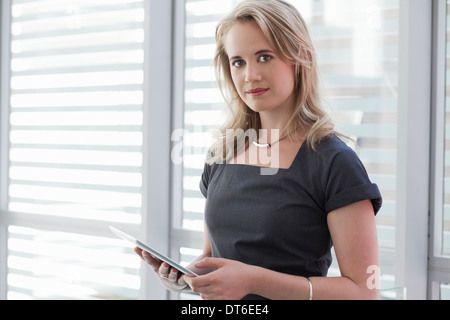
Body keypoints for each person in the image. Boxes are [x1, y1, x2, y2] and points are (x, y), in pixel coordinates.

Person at [135, 0, 382, 300]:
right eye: (238, 61)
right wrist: (184, 276)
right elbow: (212, 257)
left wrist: (255, 281)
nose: (250, 75)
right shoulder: (221, 155)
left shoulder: (334, 162)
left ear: (299, 57)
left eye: (264, 57)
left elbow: (364, 291)